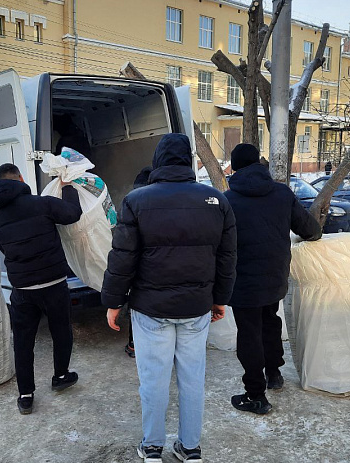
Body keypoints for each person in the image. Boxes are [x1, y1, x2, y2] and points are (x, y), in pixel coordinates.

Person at [102, 133, 237, 463]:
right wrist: (220, 298)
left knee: (153, 380)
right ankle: (190, 449)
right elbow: (227, 256)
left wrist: (113, 301)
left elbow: (123, 257)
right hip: (196, 308)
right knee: (193, 380)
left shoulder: (136, 200)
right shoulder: (217, 200)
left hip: (150, 310)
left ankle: (152, 448)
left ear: (158, 161)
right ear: (189, 162)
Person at [224, 143, 322, 415]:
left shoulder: (228, 200)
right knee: (269, 321)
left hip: (242, 280)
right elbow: (311, 229)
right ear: (259, 163)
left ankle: (256, 395)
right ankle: (274, 373)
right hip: (275, 276)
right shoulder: (281, 193)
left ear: (233, 168)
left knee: (249, 333)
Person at [0, 163, 83, 415]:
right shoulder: (41, 203)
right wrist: (68, 187)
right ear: (20, 178)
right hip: (53, 282)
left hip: (22, 289)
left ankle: (26, 395)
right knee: (61, 331)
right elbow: (73, 214)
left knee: (23, 341)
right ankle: (61, 376)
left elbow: (2, 245)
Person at [123, 165, 153, 359]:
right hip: (156, 266)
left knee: (136, 305)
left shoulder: (131, 202)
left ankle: (134, 345)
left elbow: (125, 245)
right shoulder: (158, 202)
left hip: (137, 267)